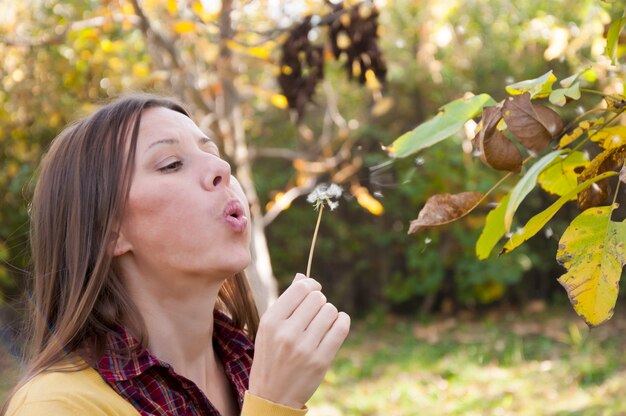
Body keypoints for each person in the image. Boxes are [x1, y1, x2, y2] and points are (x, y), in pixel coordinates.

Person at [2, 94, 350, 416]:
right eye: (171, 164)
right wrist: (274, 404)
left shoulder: (250, 364)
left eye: (213, 153)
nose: (223, 170)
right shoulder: (55, 406)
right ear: (109, 232)